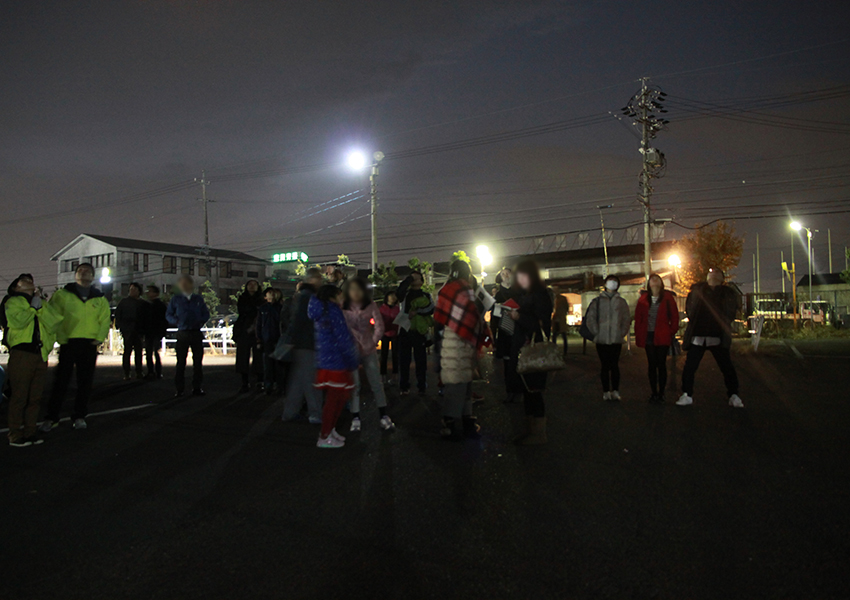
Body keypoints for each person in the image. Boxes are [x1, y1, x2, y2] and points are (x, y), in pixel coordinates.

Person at [42, 263, 111, 432]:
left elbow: (104, 319)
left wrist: (99, 339)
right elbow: (52, 315)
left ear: (92, 276)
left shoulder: (99, 297)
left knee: (85, 382)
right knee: (61, 381)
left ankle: (79, 415)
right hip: (69, 342)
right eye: (80, 271)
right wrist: (60, 337)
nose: (83, 273)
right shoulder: (63, 294)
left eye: (87, 271)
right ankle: (52, 417)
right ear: (75, 275)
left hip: (89, 344)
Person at [434, 260, 489, 440]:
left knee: (455, 382)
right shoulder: (466, 288)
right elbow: (473, 315)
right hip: (464, 340)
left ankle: (454, 423)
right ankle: (460, 423)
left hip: (448, 338)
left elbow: (440, 316)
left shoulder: (445, 289)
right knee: (463, 384)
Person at [5, 274, 59, 446]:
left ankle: (30, 432)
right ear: (15, 288)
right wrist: (33, 309)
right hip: (22, 353)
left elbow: (53, 323)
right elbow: (18, 322)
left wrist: (39, 307)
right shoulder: (12, 302)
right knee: (20, 396)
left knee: (35, 397)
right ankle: (15, 434)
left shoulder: (40, 302)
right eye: (24, 282)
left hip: (40, 353)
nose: (30, 283)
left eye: (31, 281)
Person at [677, 268, 743, 408]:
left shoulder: (727, 293)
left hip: (718, 336)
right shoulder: (697, 291)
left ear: (721, 278)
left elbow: (732, 312)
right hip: (698, 335)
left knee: (727, 367)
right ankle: (687, 394)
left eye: (716, 273)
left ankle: (733, 395)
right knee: (689, 367)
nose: (712, 275)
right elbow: (689, 309)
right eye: (710, 273)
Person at [508, 259, 553, 445]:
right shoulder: (524, 294)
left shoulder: (541, 295)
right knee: (527, 392)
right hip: (523, 349)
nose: (520, 279)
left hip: (535, 351)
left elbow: (542, 324)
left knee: (534, 392)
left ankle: (539, 434)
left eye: (523, 276)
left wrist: (519, 317)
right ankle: (530, 430)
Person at [309, 285, 359, 448]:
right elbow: (342, 337)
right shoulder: (333, 311)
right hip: (337, 361)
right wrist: (352, 358)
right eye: (341, 295)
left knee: (337, 399)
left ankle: (330, 431)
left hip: (327, 359)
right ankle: (324, 435)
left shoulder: (323, 311)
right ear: (335, 295)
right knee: (335, 400)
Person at [343, 278, 394, 432]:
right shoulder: (343, 306)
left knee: (376, 383)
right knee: (355, 385)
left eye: (358, 289)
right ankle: (356, 417)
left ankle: (383, 415)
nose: (355, 292)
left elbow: (380, 326)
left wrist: (372, 343)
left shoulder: (370, 304)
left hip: (368, 349)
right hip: (351, 350)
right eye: (352, 289)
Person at [282, 269, 323, 424]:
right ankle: (316, 414)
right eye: (318, 278)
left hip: (300, 344)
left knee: (298, 381)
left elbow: (295, 321)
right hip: (308, 343)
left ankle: (290, 412)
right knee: (312, 381)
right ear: (312, 279)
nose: (321, 280)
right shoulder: (309, 297)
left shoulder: (303, 296)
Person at [634, 274, 680, 403]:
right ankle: (654, 392)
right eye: (652, 279)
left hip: (663, 335)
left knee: (661, 364)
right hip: (648, 334)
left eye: (657, 279)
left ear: (661, 283)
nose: (654, 281)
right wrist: (638, 333)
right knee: (652, 365)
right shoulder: (643, 298)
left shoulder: (667, 297)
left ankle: (661, 393)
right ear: (649, 284)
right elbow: (638, 318)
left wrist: (671, 331)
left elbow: (675, 316)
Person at [586, 275, 631, 401]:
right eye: (610, 281)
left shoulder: (621, 302)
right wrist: (597, 332)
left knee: (615, 365)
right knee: (605, 365)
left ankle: (615, 390)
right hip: (601, 339)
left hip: (616, 339)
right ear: (605, 284)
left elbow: (626, 319)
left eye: (615, 281)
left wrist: (621, 332)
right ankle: (606, 391)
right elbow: (591, 318)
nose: (612, 283)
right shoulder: (597, 301)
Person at [166, 275, 210, 398]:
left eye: (186, 283)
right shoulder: (176, 299)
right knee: (180, 362)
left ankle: (197, 387)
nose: (184, 285)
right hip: (182, 332)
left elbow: (206, 313)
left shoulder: (198, 299)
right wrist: (177, 321)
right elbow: (168, 314)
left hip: (196, 332)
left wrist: (201, 321)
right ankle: (179, 389)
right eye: (182, 283)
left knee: (198, 362)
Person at [397, 271, 434, 396]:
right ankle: (404, 386)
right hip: (405, 329)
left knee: (421, 360)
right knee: (404, 360)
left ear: (422, 281)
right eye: (412, 277)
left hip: (419, 331)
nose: (414, 279)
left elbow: (431, 309)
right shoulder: (405, 294)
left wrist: (417, 311)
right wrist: (408, 279)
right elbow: (399, 292)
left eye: (416, 277)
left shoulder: (426, 295)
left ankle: (422, 385)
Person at [493, 268, 522, 403]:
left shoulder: (519, 291)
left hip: (518, 330)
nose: (505, 276)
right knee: (507, 363)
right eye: (502, 274)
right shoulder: (498, 294)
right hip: (504, 332)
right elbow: (494, 316)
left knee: (520, 361)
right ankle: (510, 391)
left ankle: (521, 389)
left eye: (507, 273)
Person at [234, 279, 265, 393]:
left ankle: (260, 380)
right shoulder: (242, 298)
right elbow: (243, 311)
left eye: (254, 285)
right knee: (243, 356)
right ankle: (244, 381)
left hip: (258, 329)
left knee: (259, 356)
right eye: (250, 284)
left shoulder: (262, 299)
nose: (252, 286)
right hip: (244, 329)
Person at [114, 282, 146, 380]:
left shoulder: (142, 303)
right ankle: (126, 372)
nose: (132, 291)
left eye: (134, 289)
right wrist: (120, 327)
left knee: (138, 352)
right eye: (131, 289)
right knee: (127, 351)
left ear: (139, 291)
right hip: (127, 330)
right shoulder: (124, 302)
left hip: (138, 331)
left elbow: (146, 318)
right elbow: (118, 315)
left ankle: (138, 371)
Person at [256, 287, 284, 395]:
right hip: (267, 339)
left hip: (276, 338)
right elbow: (258, 325)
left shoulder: (279, 308)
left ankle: (277, 385)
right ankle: (269, 385)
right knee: (268, 364)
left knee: (277, 365)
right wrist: (259, 338)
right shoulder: (263, 309)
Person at [143, 285, 168, 379]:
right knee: (150, 352)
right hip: (151, 332)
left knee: (153, 352)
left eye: (150, 291)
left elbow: (164, 321)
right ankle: (153, 371)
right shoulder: (149, 305)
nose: (148, 293)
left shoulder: (159, 305)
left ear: (155, 293)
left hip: (155, 332)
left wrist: (162, 332)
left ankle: (155, 371)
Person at [379, 290, 400, 385]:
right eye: (391, 296)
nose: (393, 298)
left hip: (395, 334)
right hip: (385, 334)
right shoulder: (382, 309)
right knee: (384, 355)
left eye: (394, 296)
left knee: (395, 355)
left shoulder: (397, 308)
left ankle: (395, 374)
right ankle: (382, 374)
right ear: (387, 297)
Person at [552, 293, 570, 358]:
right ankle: (564, 351)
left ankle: (556, 350)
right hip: (559, 319)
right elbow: (567, 308)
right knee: (560, 336)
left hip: (559, 319)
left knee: (557, 336)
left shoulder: (559, 299)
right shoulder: (559, 299)